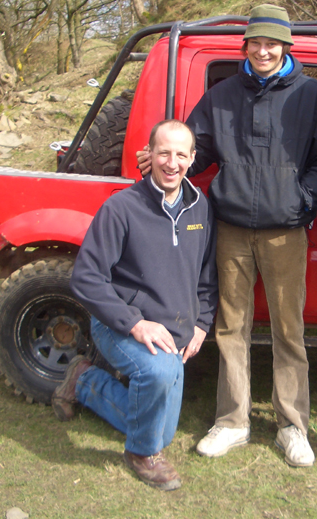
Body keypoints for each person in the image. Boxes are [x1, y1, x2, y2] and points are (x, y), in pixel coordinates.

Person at [137, 4, 317, 467]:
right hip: (230, 228)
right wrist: (164, 157)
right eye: (255, 43)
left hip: (286, 232)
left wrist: (302, 202)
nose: (263, 51)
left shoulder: (312, 95)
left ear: (286, 46)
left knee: (289, 330)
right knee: (230, 328)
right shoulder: (222, 94)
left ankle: (292, 426)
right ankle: (232, 422)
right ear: (245, 46)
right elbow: (197, 149)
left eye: (272, 44)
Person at [53, 119, 217, 491]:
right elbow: (86, 278)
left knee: (163, 431)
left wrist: (201, 323)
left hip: (175, 332)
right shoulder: (121, 208)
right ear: (150, 155)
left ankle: (85, 381)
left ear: (192, 158)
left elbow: (207, 277)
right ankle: (142, 454)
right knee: (157, 377)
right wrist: (135, 323)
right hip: (120, 324)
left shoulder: (201, 209)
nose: (171, 163)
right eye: (163, 153)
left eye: (180, 154)